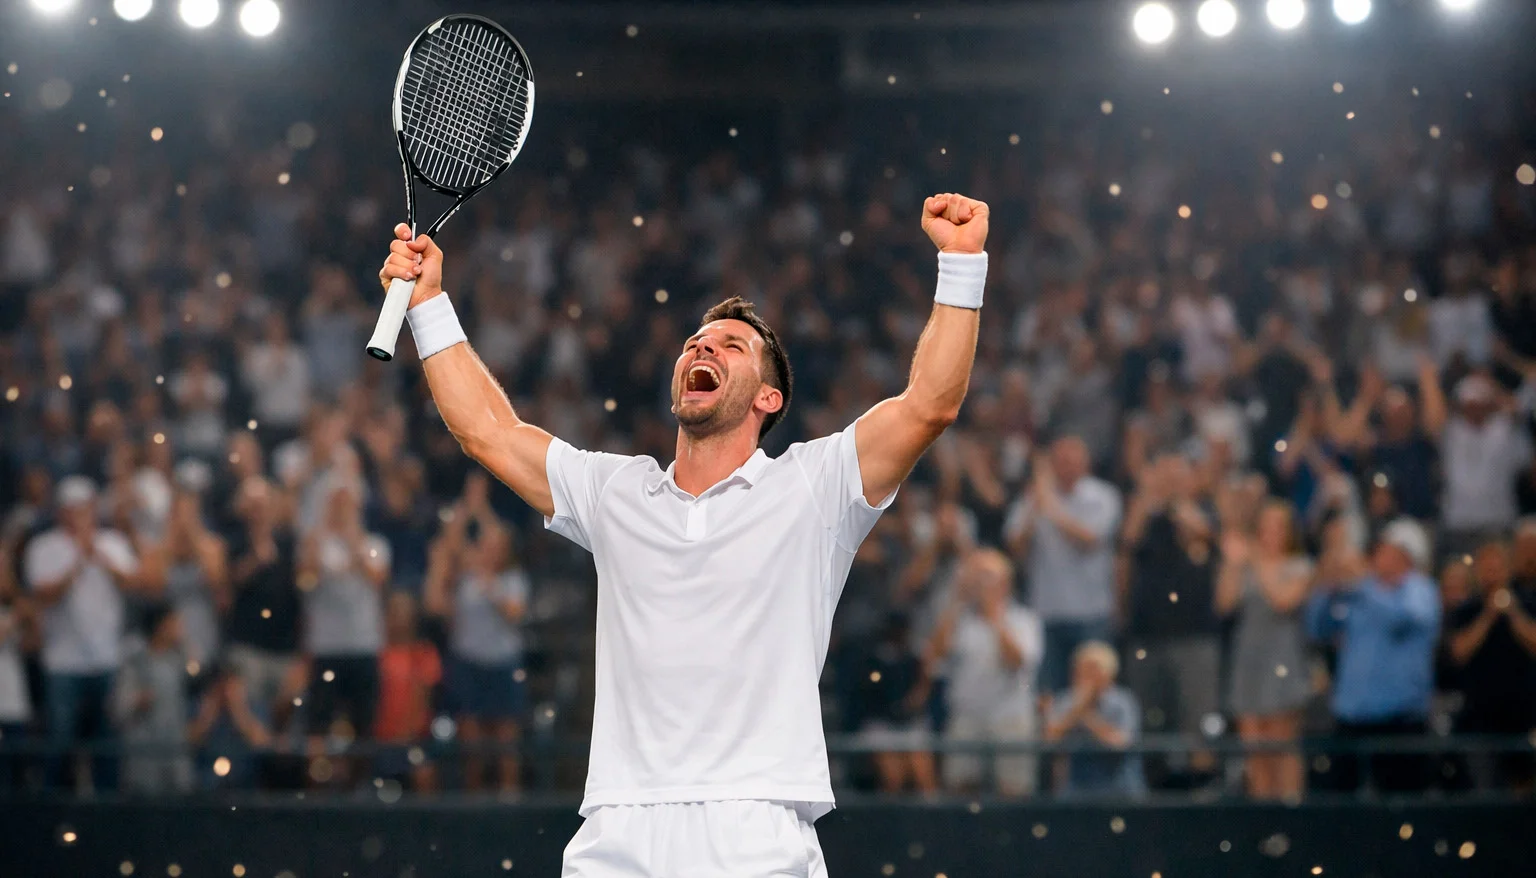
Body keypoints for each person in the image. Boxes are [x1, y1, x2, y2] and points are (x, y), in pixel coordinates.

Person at [377, 190, 989, 876]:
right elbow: (487, 433)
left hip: (757, 829)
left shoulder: (816, 486)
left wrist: (960, 265)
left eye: (732, 345)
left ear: (768, 398)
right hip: (619, 830)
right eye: (697, 341)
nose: (704, 345)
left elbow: (930, 406)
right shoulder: (615, 492)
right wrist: (428, 303)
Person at [24, 476, 147, 790]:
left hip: (107, 660)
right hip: (63, 663)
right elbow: (43, 593)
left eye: (86, 508)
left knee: (107, 747)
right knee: (60, 746)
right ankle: (54, 812)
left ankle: (106, 819)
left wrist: (99, 557)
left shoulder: (112, 543)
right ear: (61, 512)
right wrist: (78, 561)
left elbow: (136, 584)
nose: (80, 515)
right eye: (73, 509)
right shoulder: (44, 547)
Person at [1306, 518, 1440, 793]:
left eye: (1388, 551)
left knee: (1401, 807)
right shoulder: (1359, 592)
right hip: (1351, 719)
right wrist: (1328, 588)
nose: (1378, 557)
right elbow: (1318, 629)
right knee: (1341, 806)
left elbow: (1401, 619)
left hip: (1399, 721)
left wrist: (1361, 585)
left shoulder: (1420, 590)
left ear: (1407, 556)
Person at [424, 473, 530, 792]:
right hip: (468, 663)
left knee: (506, 741)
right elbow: (451, 545)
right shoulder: (466, 576)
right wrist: (471, 508)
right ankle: (474, 798)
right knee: (471, 743)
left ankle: (508, 799)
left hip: (502, 664)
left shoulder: (512, 580)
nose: (487, 548)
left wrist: (481, 510)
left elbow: (514, 613)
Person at [1120, 452, 1221, 786]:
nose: (1170, 484)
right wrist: (1148, 496)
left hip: (1194, 633)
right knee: (1150, 722)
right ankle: (1154, 793)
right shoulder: (1146, 515)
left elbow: (1202, 533)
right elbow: (1128, 541)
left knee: (1197, 722)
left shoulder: (1204, 510)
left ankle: (1201, 791)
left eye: (1178, 477)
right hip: (1147, 634)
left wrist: (1177, 499)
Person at [1004, 436, 1122, 694]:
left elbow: (1089, 539)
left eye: (1073, 461)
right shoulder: (1034, 498)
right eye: (1061, 461)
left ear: (1085, 463)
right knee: (1047, 693)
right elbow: (1015, 546)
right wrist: (1036, 505)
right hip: (1046, 612)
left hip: (1091, 612)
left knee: (1094, 691)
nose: (1067, 467)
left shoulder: (1103, 496)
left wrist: (1050, 505)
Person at [923, 547, 1043, 797]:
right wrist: (957, 600)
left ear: (1005, 582)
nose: (980, 583)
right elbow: (935, 657)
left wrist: (995, 617)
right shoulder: (959, 619)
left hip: (1010, 715)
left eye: (986, 576)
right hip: (967, 713)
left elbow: (1018, 661)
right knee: (961, 789)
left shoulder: (1023, 619)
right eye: (975, 575)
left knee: (1014, 792)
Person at [1217, 499, 1314, 800]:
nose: (1269, 533)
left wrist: (1255, 559)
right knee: (1254, 749)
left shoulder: (1300, 566)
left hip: (1281, 658)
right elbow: (1224, 604)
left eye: (1277, 527)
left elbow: (1282, 601)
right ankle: (1262, 817)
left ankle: (1290, 810)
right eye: (1265, 527)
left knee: (1282, 746)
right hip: (1249, 657)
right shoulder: (1247, 566)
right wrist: (1232, 563)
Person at [298, 482, 390, 786]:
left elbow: (376, 577)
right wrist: (322, 535)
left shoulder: (374, 543)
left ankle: (359, 784)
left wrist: (351, 539)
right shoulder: (315, 544)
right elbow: (305, 579)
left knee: (363, 725)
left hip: (363, 646)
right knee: (319, 726)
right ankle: (316, 786)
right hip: (326, 648)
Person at [1443, 539, 1536, 792]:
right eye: (1486, 568)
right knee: (1484, 791)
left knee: (1523, 796)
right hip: (1479, 718)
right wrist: (1488, 615)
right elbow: (1458, 652)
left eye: (1497, 568)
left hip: (1523, 717)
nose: (1492, 574)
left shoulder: (1528, 602)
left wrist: (1514, 614)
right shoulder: (1467, 610)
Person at [1042, 641, 1144, 797]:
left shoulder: (1123, 702)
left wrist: (1086, 715)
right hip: (1077, 789)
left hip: (1119, 787)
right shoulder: (1066, 700)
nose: (1085, 677)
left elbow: (1121, 744)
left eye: (1092, 670)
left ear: (1108, 674)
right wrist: (1075, 711)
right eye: (1080, 670)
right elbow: (1050, 739)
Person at [113, 604, 194, 795]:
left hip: (175, 747)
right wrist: (137, 700)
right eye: (174, 622)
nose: (179, 627)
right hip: (145, 748)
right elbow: (118, 707)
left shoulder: (180, 661)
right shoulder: (136, 662)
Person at [374, 592, 442, 793]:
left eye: (403, 613)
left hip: (414, 742)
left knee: (424, 773)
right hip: (375, 740)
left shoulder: (424, 653)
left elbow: (423, 700)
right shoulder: (374, 654)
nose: (398, 618)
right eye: (393, 612)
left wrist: (406, 735)